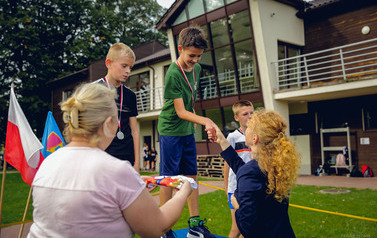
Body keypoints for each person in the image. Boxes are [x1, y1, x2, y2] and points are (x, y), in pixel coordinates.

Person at [27, 83, 193, 238]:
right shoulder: (116, 170)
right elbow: (157, 227)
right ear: (108, 124)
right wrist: (183, 191)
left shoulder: (48, 163)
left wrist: (132, 186)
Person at [157, 25, 217, 238]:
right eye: (192, 55)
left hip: (186, 131)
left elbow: (190, 101)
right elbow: (180, 111)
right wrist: (205, 120)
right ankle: (163, 228)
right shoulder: (173, 73)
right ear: (180, 49)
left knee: (191, 176)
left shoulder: (198, 69)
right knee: (169, 178)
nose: (196, 60)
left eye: (199, 56)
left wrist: (196, 121)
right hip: (170, 130)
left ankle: (195, 225)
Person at [212, 109, 300, 237]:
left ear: (254, 138)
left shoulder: (251, 171)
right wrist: (222, 141)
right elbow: (243, 169)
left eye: (248, 127)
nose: (245, 129)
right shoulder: (274, 166)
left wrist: (237, 206)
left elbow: (249, 227)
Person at [94, 42, 140, 172]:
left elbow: (134, 131)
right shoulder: (94, 90)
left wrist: (136, 163)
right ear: (108, 63)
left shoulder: (130, 95)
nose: (128, 71)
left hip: (127, 157)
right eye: (124, 66)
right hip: (103, 155)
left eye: (130, 67)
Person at [223, 100, 254, 238]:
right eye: (245, 114)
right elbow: (227, 164)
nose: (250, 116)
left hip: (252, 187)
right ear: (236, 117)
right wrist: (226, 187)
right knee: (237, 228)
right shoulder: (233, 137)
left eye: (252, 112)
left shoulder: (257, 135)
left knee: (249, 228)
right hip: (236, 187)